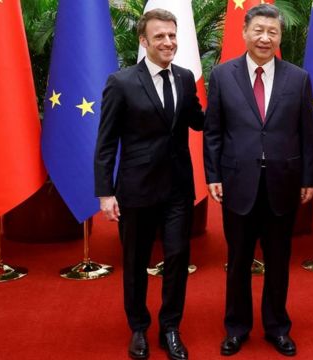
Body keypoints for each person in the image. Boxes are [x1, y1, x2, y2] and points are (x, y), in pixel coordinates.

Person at [203, 4, 313, 357]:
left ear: (279, 36)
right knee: (238, 260)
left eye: (273, 32)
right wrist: (213, 175)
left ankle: (277, 327)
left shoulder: (297, 78)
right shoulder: (222, 75)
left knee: (279, 260)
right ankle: (236, 327)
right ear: (245, 33)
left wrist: (309, 178)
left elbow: (307, 134)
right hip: (238, 183)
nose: (265, 37)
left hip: (284, 184)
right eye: (259, 30)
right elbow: (213, 132)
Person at [94, 9, 204, 360]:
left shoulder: (186, 78)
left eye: (172, 35)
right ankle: (138, 328)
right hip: (136, 190)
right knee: (136, 261)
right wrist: (105, 192)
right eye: (160, 36)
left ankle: (170, 327)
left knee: (176, 258)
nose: (168, 42)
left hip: (177, 190)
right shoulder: (121, 82)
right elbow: (106, 141)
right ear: (144, 41)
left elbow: (199, 122)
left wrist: (232, 99)